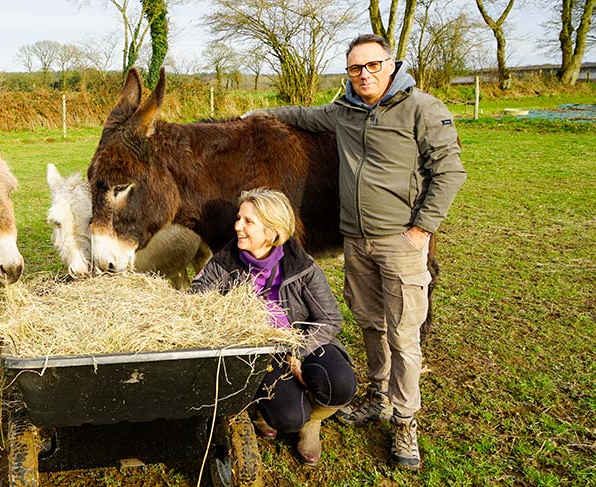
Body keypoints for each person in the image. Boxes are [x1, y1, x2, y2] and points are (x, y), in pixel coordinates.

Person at [243, 34, 467, 470]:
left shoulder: (421, 108)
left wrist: (422, 228)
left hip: (400, 241)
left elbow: (450, 171)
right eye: (354, 68)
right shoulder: (344, 112)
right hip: (357, 243)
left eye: (372, 65)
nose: (363, 74)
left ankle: (405, 422)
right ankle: (378, 395)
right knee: (369, 322)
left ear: (391, 64)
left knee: (404, 333)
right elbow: (305, 116)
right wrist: (259, 114)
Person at [191, 188, 357, 465]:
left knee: (339, 385)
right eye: (238, 218)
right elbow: (197, 297)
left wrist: (299, 351)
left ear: (272, 232)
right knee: (289, 417)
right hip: (260, 352)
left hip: (304, 340)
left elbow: (330, 318)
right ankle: (271, 411)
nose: (237, 227)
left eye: (248, 222)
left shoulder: (301, 266)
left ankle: (313, 421)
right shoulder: (224, 261)